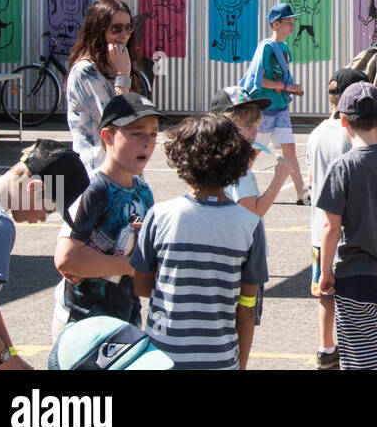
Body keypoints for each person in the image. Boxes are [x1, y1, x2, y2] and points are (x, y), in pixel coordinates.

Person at [131, 113, 268, 370]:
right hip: (220, 358)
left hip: (161, 357)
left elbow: (141, 286)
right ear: (237, 162)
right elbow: (247, 308)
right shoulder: (249, 224)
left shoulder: (160, 215)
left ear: (181, 159)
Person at [0, 139, 89, 370]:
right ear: (36, 188)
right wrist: (5, 364)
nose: (42, 218)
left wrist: (14, 356)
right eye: (49, 209)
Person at [315, 83, 377, 371]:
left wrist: (324, 272)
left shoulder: (342, 167)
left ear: (344, 121)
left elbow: (330, 227)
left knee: (361, 354)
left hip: (354, 275)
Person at [53, 93, 160, 338]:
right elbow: (66, 260)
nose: (147, 142)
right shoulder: (93, 188)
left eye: (153, 134)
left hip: (124, 321)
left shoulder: (143, 192)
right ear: (107, 136)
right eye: (136, 133)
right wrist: (129, 266)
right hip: (83, 324)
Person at [307, 68, 370, 368]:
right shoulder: (350, 138)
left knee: (325, 290)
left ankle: (325, 345)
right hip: (345, 229)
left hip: (318, 228)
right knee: (350, 295)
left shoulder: (317, 132)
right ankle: (354, 348)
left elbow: (310, 178)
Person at [65, 0, 142, 174]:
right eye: (116, 29)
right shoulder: (85, 71)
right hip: (97, 172)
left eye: (128, 27)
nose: (124, 35)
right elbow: (117, 122)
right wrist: (123, 76)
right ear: (99, 31)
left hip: (123, 168)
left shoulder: (116, 64)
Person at [242, 2, 308, 204]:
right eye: (288, 22)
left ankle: (302, 193)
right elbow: (259, 81)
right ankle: (235, 185)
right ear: (275, 24)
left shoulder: (285, 47)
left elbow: (280, 78)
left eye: (292, 22)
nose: (292, 26)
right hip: (265, 108)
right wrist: (287, 87)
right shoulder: (266, 49)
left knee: (290, 147)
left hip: (280, 106)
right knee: (256, 148)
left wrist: (291, 87)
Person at [213, 86, 291, 219]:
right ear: (225, 125)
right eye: (248, 125)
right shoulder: (237, 169)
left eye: (256, 125)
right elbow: (252, 214)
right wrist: (280, 177)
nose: (255, 132)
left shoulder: (214, 157)